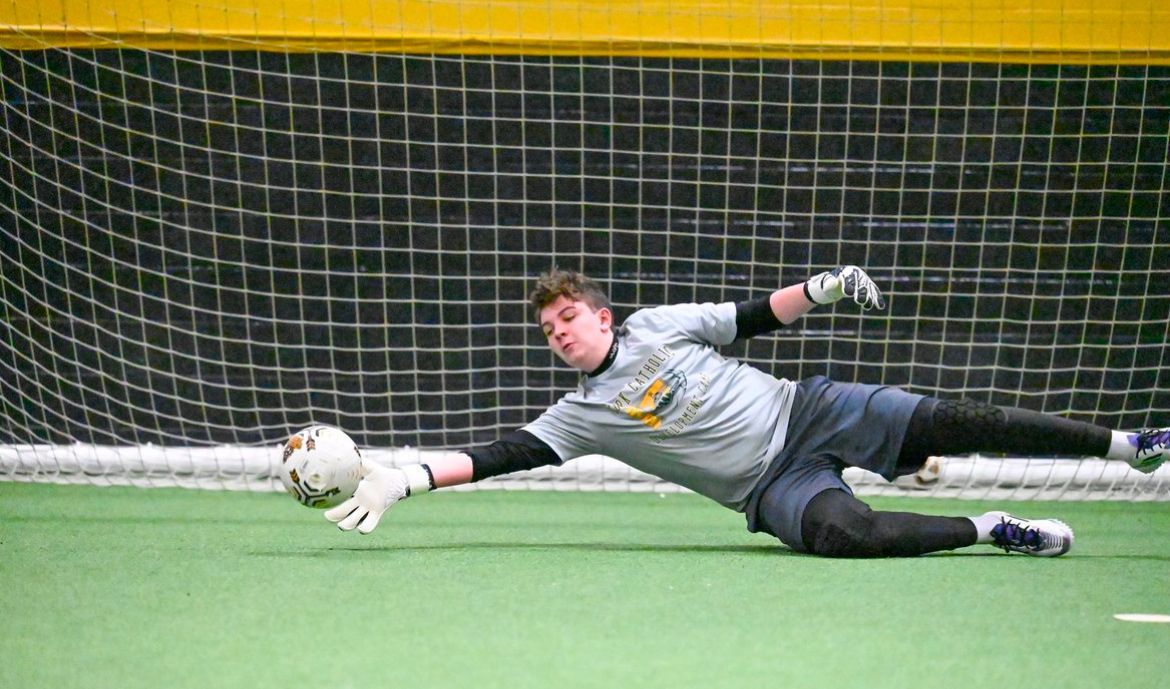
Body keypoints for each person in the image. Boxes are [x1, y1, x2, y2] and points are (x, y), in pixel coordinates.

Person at [325, 267, 1169, 557]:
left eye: (567, 319)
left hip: (813, 412)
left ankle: (1128, 443)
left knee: (957, 418)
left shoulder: (660, 326)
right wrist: (407, 478)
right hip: (770, 487)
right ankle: (991, 528)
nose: (558, 335)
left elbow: (754, 315)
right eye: (548, 331)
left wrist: (826, 287)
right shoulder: (579, 415)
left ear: (602, 315)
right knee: (850, 536)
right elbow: (503, 452)